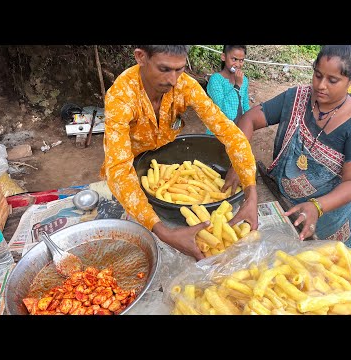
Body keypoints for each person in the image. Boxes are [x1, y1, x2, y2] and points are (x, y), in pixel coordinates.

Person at [100, 45, 258, 261]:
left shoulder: (185, 86)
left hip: (164, 158)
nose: (173, 80)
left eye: (180, 69)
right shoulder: (121, 96)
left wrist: (251, 193)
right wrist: (165, 232)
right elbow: (118, 169)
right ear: (141, 57)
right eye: (164, 69)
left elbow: (229, 132)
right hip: (132, 167)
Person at [225, 45, 351, 248]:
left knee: (319, 269)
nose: (321, 85)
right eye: (317, 75)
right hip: (282, 199)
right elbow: (249, 119)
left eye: (332, 80)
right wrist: (238, 163)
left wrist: (317, 206)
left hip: (327, 217)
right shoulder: (297, 98)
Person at [206, 45, 250, 135]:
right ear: (223, 57)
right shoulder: (216, 80)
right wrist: (237, 86)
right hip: (218, 132)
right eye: (234, 59)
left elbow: (245, 105)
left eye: (241, 60)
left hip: (238, 131)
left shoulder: (244, 80)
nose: (238, 64)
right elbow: (223, 110)